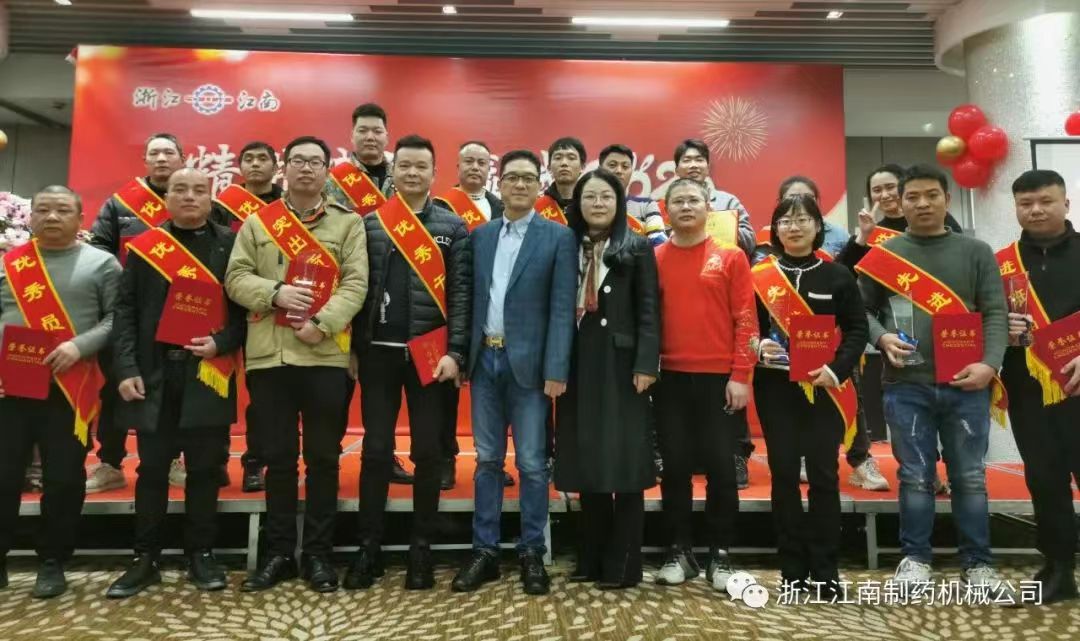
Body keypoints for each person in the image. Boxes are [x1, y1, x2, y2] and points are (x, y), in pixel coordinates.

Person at [855, 164, 1012, 597]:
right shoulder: (884, 256)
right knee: (914, 476)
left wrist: (990, 365)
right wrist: (881, 336)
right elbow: (861, 313)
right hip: (906, 384)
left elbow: (995, 313)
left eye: (931, 195)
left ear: (947, 199)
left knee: (970, 477)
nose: (922, 204)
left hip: (968, 383)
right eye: (913, 197)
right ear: (899, 203)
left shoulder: (976, 251)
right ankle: (916, 559)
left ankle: (978, 564)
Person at [226, 136, 368, 593]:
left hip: (324, 355)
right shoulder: (258, 223)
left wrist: (322, 325)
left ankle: (319, 555)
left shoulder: (348, 223)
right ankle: (279, 553)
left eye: (316, 162)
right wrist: (276, 294)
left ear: (327, 170)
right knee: (279, 459)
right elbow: (235, 277)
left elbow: (356, 283)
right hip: (270, 357)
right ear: (283, 168)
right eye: (298, 160)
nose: (306, 168)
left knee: (324, 459)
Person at [106, 168, 244, 598]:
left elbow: (246, 311)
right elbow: (125, 311)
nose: (189, 197)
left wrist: (222, 342)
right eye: (180, 189)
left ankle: (201, 553)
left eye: (199, 190)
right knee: (151, 471)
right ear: (166, 198)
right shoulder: (146, 247)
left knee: (204, 470)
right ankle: (144, 558)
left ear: (210, 198)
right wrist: (126, 369)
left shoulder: (230, 244)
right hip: (155, 375)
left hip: (208, 372)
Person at [344, 135, 471, 591]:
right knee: (376, 450)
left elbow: (461, 295)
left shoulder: (453, 227)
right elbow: (357, 289)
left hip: (430, 357)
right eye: (405, 166)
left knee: (428, 452)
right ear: (393, 171)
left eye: (421, 166)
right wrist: (352, 347)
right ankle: (368, 548)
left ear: (434, 173)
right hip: (377, 353)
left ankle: (422, 550)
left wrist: (457, 352)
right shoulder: (370, 224)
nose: (413, 173)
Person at [451, 149, 576, 595]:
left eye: (528, 178)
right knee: (486, 459)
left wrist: (556, 367)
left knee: (532, 463)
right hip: (485, 361)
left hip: (531, 366)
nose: (519, 185)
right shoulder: (480, 235)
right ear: (498, 185)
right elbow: (467, 300)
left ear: (538, 186)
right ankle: (483, 551)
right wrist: (462, 357)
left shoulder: (558, 237)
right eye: (511, 178)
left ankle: (531, 552)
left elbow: (562, 309)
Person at [0, 186, 120, 598]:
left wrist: (79, 346)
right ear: (30, 216)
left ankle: (52, 561)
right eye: (43, 209)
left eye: (62, 210)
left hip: (69, 389)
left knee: (64, 479)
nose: (52, 217)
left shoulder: (101, 263)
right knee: (3, 475)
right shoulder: (9, 263)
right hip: (9, 388)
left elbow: (117, 319)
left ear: (80, 218)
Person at [751, 194, 868, 598]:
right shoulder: (759, 275)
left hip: (825, 388)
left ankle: (825, 569)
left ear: (818, 226)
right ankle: (792, 570)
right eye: (785, 220)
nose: (794, 227)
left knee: (823, 476)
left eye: (803, 219)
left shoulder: (837, 275)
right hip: (775, 387)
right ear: (775, 229)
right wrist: (758, 346)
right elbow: (747, 327)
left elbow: (857, 329)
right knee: (783, 475)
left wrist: (837, 369)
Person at [554, 169, 660, 589]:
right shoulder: (565, 246)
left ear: (619, 204)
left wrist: (646, 364)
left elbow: (649, 310)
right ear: (577, 204)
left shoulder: (636, 247)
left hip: (622, 366)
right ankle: (592, 557)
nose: (597, 204)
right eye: (590, 197)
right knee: (588, 460)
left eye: (606, 197)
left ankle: (624, 563)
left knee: (625, 461)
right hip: (576, 363)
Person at [652, 177, 757, 591]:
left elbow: (746, 320)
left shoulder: (731, 257)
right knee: (674, 468)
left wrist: (741, 375)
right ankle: (678, 552)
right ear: (666, 210)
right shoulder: (654, 258)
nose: (686, 207)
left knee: (721, 469)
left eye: (693, 200)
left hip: (720, 381)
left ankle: (721, 554)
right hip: (669, 378)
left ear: (708, 207)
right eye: (678, 201)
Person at [772, 176, 890, 493]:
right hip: (781, 355)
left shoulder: (837, 237)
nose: (795, 221)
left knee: (849, 402)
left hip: (830, 346)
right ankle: (800, 457)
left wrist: (861, 239)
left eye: (806, 200)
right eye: (790, 200)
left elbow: (842, 274)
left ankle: (860, 459)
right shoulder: (769, 246)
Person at [86, 133, 186, 494]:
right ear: (145, 160)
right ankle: (110, 463)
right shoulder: (120, 204)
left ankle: (174, 458)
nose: (161, 159)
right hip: (128, 311)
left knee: (175, 389)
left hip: (180, 311)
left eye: (168, 152)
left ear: (182, 158)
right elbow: (99, 249)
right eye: (154, 153)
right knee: (118, 387)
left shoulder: (193, 198)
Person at [999, 169, 1079, 604]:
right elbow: (980, 324)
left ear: (1066, 203)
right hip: (1028, 389)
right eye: (1025, 203)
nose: (1035, 210)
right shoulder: (1000, 263)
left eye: (1046, 201)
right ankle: (1058, 569)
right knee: (1044, 479)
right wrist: (1001, 330)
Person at [325, 102, 413, 485]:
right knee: (336, 389)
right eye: (363, 130)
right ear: (352, 135)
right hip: (344, 290)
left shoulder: (403, 176)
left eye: (377, 130)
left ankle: (384, 456)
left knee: (383, 393)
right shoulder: (334, 181)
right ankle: (325, 460)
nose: (371, 137)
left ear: (387, 135)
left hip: (389, 295)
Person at [433, 140, 508, 491]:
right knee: (446, 392)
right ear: (458, 167)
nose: (475, 167)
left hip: (494, 311)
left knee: (496, 393)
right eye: (469, 162)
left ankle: (491, 462)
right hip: (453, 309)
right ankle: (445, 458)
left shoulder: (503, 207)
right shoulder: (439, 206)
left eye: (482, 162)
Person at [217, 141, 285, 493]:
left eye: (263, 158)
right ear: (239, 166)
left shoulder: (289, 205)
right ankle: (228, 459)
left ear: (276, 166)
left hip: (278, 306)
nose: (256, 164)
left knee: (269, 394)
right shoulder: (221, 207)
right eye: (249, 159)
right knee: (221, 387)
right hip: (230, 305)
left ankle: (267, 461)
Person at [836, 164, 964, 267]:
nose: (884, 195)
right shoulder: (871, 231)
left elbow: (959, 252)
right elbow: (843, 271)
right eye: (877, 190)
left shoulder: (933, 217)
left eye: (890, 187)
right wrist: (863, 235)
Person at [670, 139, 754, 253]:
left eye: (699, 160)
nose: (693, 165)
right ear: (676, 170)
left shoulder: (728, 201)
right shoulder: (667, 205)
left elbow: (750, 242)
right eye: (687, 160)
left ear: (708, 168)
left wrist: (716, 223)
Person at [598, 144, 667, 246]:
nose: (619, 171)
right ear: (600, 170)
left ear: (631, 171)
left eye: (625, 166)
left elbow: (659, 243)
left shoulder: (646, 206)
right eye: (612, 165)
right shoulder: (589, 204)